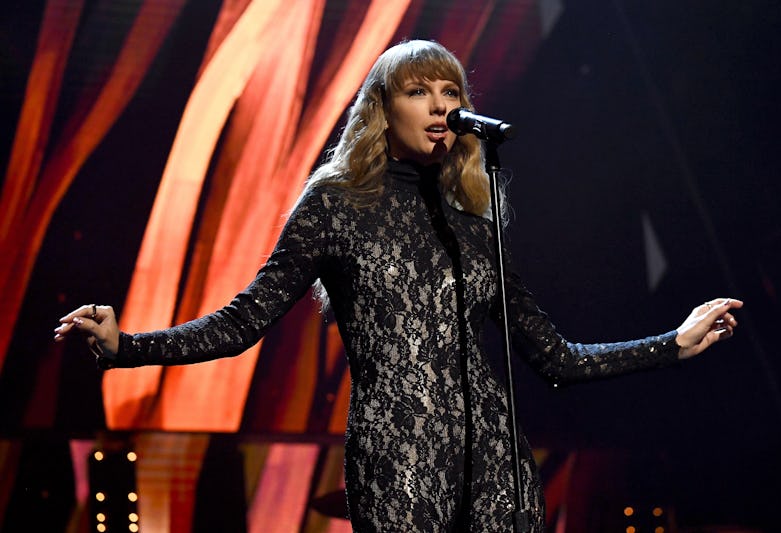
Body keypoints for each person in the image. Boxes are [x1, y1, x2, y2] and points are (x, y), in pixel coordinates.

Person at [54, 40, 742, 532]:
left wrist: (672, 344)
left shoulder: (474, 222)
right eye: (420, 91)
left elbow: (554, 356)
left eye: (451, 93)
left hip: (497, 466)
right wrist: (125, 347)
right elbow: (242, 322)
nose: (441, 106)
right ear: (383, 108)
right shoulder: (335, 205)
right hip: (398, 462)